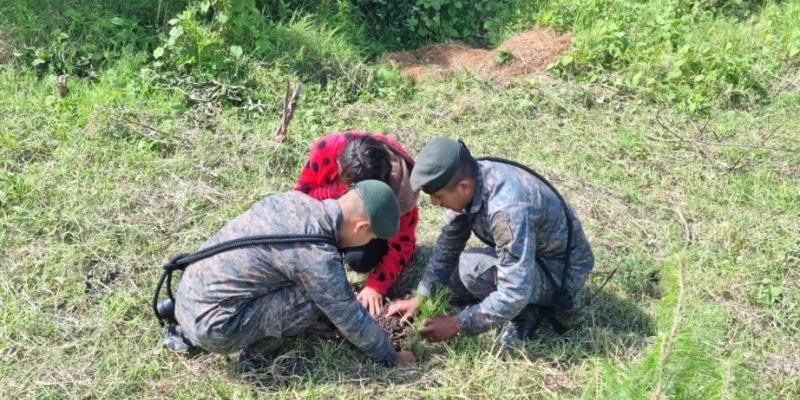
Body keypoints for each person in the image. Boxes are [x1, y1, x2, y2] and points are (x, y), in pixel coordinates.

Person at [171, 180, 415, 365]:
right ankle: (256, 356)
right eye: (370, 237)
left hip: (187, 296)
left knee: (314, 287)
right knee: (316, 298)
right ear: (362, 227)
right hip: (216, 327)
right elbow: (348, 316)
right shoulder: (316, 254)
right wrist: (390, 355)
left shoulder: (294, 201)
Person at [387, 137, 594, 346]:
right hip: (534, 255)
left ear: (463, 187)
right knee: (454, 276)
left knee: (472, 270)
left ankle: (525, 313)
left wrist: (459, 323)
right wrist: (421, 296)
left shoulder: (507, 209)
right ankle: (517, 304)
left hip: (559, 273)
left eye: (439, 196)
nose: (435, 202)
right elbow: (448, 244)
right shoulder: (473, 179)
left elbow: (514, 291)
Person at [295, 130, 419, 317]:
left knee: (360, 259)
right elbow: (300, 200)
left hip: (361, 227)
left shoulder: (401, 190)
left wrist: (376, 286)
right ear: (339, 166)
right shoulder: (326, 149)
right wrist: (336, 198)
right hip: (330, 211)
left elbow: (402, 245)